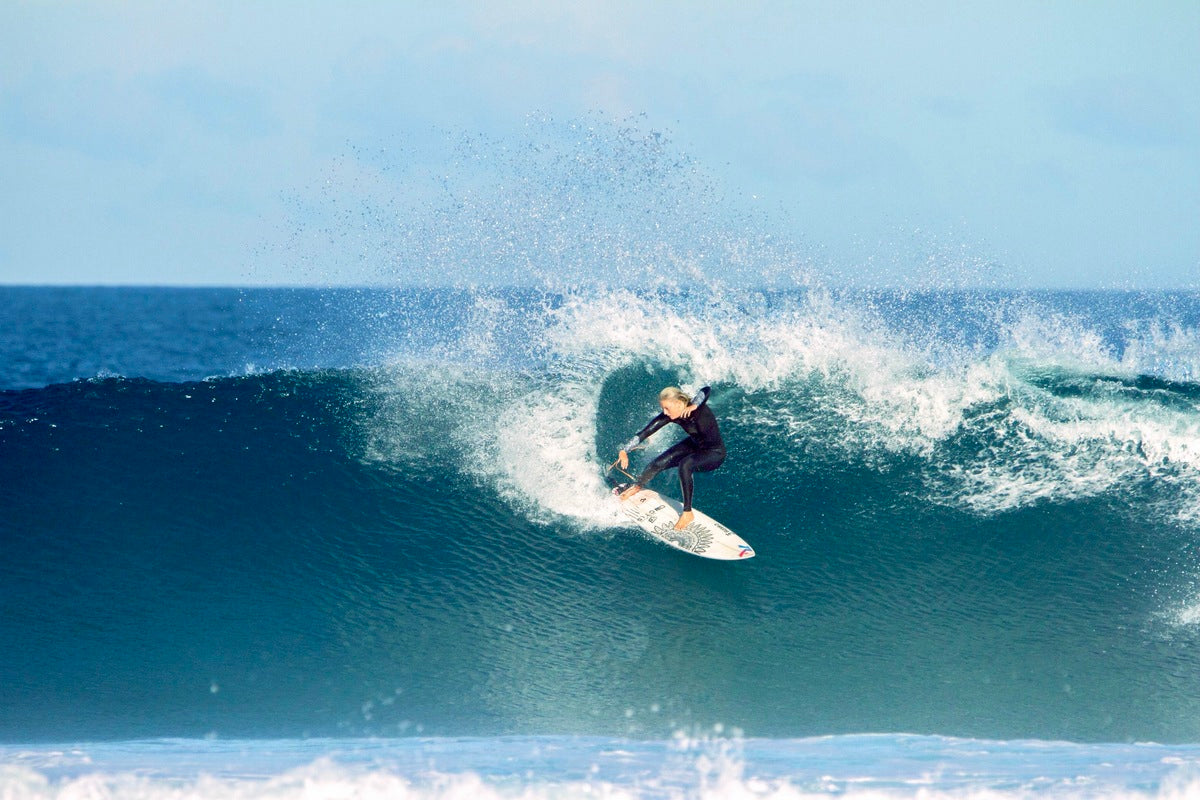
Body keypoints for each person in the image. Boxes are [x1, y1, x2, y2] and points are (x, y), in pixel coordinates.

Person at [617, 385, 725, 531]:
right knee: (656, 464)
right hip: (694, 445)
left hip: (714, 453)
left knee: (685, 464)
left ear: (679, 404)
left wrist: (694, 404)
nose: (664, 412)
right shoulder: (672, 416)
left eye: (667, 408)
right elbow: (645, 432)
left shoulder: (696, 409)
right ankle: (637, 486)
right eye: (663, 408)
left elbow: (706, 389)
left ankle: (687, 513)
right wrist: (624, 450)